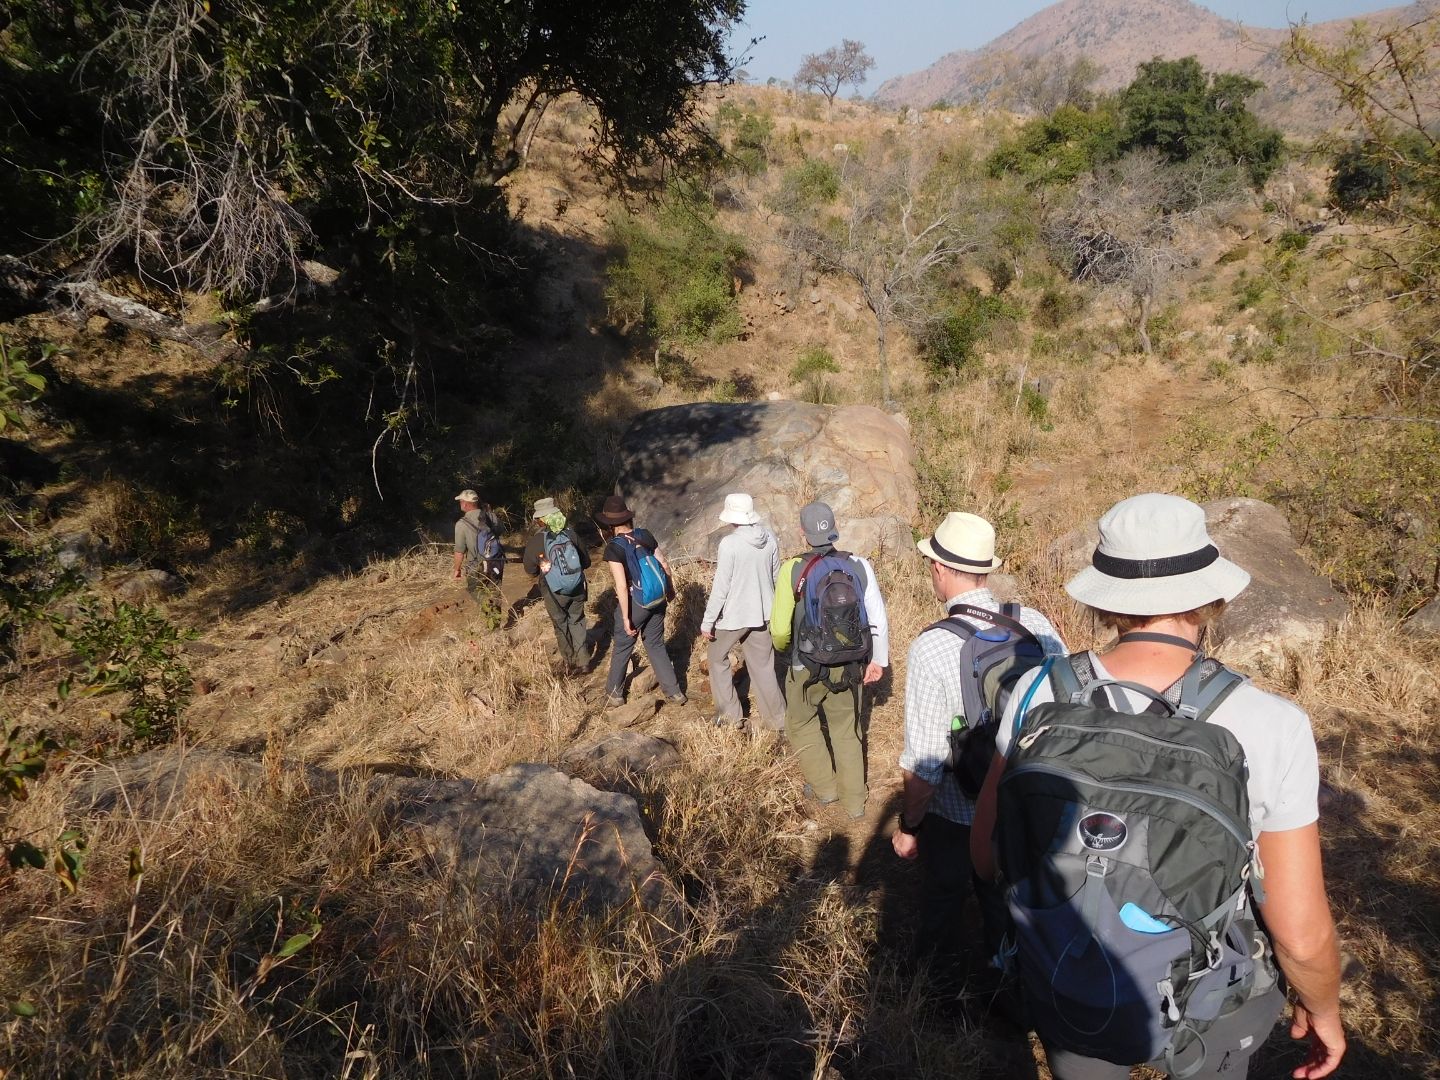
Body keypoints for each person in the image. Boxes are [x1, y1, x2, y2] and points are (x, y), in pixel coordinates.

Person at [970, 493, 1345, 1080]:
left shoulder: (1037, 691)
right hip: (1211, 1002)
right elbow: (1298, 933)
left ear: (1106, 598)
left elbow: (986, 852)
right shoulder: (1271, 723)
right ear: (1207, 595)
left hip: (1070, 975)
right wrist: (1324, 1008)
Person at [892, 511, 1066, 980]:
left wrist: (909, 826)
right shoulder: (1034, 623)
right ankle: (1006, 982)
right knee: (1006, 901)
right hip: (1025, 796)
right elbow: (1066, 708)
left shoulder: (932, 646)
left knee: (944, 895)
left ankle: (933, 987)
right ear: (985, 570)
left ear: (939, 568)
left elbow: (925, 762)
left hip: (958, 808)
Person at [769, 501, 889, 820]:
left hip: (805, 664)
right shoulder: (859, 565)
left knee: (801, 723)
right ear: (834, 529)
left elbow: (779, 629)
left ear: (802, 532)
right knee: (847, 729)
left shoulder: (792, 569)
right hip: (850, 665)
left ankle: (825, 789)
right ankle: (855, 803)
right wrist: (878, 660)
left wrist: (785, 650)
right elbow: (877, 617)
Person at [700, 493, 786, 731]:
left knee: (716, 658)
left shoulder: (729, 544)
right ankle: (777, 721)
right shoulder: (769, 537)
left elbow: (721, 587)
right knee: (764, 667)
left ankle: (730, 717)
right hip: (765, 612)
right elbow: (777, 577)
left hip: (735, 616)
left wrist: (708, 621)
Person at [597, 494, 686, 708]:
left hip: (637, 602)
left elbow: (621, 586)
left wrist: (626, 618)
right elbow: (664, 564)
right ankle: (675, 693)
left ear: (610, 524)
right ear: (628, 518)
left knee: (622, 646)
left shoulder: (614, 547)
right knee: (655, 644)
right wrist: (670, 589)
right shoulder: (644, 534)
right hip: (658, 597)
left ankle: (614, 695)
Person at [521, 497, 591, 674]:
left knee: (560, 624)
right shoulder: (570, 534)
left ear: (541, 520)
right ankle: (584, 662)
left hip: (553, 591)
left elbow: (530, 570)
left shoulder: (537, 541)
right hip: (577, 586)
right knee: (577, 620)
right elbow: (587, 562)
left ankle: (570, 663)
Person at [452, 489, 504, 601]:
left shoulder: (461, 524)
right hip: (495, 561)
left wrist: (457, 569)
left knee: (474, 589)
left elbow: (459, 552)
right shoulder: (491, 516)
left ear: (465, 503)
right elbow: (500, 531)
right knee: (495, 591)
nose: (460, 504)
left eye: (460, 501)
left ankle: (488, 608)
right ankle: (494, 610)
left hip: (476, 565)